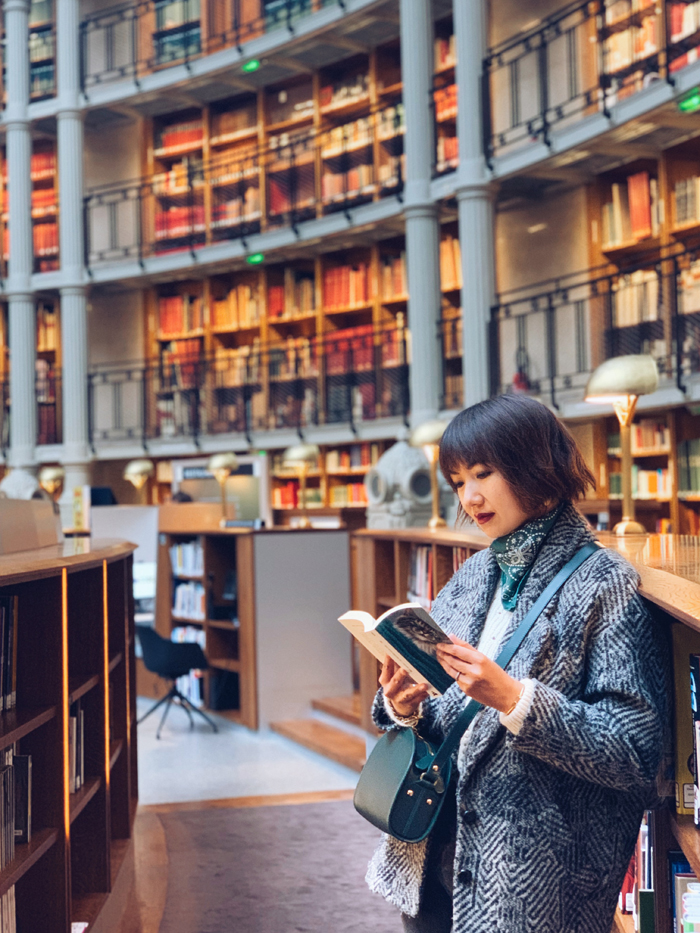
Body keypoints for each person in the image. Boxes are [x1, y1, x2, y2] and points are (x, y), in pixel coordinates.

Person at [365, 394, 666, 933]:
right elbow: (439, 715)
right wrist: (401, 704)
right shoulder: (476, 571)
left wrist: (515, 700)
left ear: (536, 467)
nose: (471, 496)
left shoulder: (603, 584)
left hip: (530, 879)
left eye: (484, 473)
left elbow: (635, 752)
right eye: (458, 481)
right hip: (433, 853)